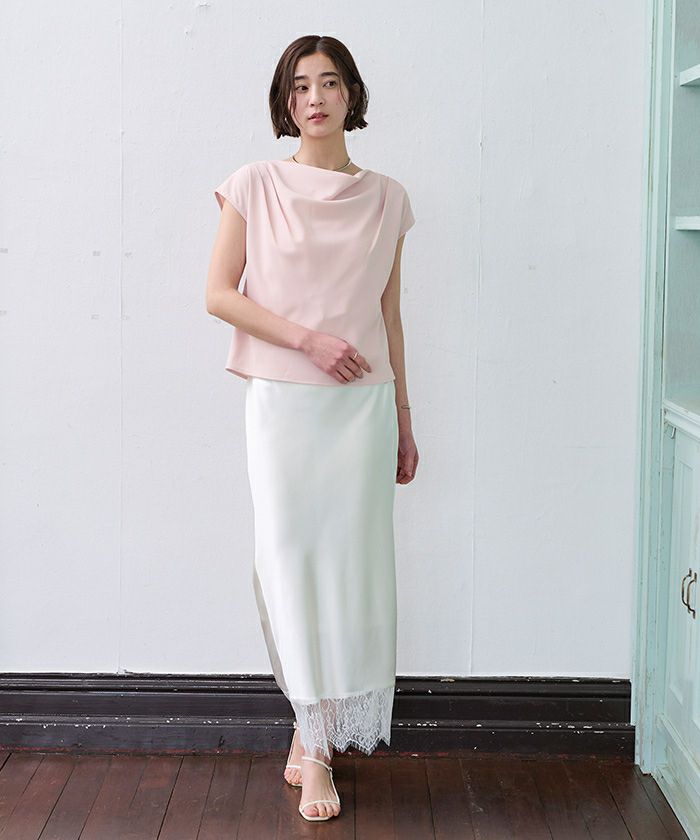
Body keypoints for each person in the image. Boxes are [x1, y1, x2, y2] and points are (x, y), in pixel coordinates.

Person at [206, 34, 419, 823]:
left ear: (351, 94)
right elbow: (219, 294)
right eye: (299, 86)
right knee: (290, 562)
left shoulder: (388, 197)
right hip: (284, 407)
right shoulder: (253, 184)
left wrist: (405, 419)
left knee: (351, 571)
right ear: (285, 101)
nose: (315, 98)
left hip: (363, 409)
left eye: (329, 83)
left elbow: (390, 317)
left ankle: (313, 736)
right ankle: (316, 736)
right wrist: (307, 341)